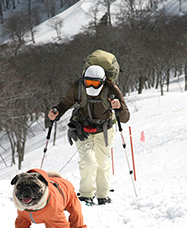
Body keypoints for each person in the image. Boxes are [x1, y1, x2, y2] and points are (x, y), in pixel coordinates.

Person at [48, 64, 130, 205]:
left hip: (104, 130)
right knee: (88, 161)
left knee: (102, 163)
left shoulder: (111, 89)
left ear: (103, 81)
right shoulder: (78, 87)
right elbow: (65, 103)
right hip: (82, 129)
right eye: (88, 82)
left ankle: (102, 195)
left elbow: (125, 117)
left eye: (95, 83)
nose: (91, 85)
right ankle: (86, 195)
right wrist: (56, 111)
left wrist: (119, 107)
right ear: (83, 80)